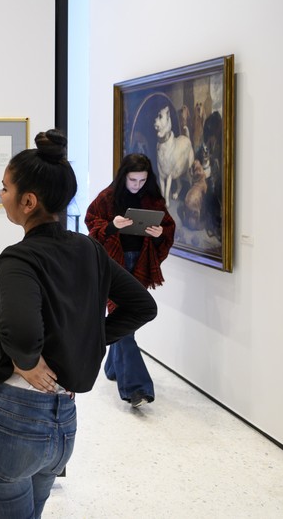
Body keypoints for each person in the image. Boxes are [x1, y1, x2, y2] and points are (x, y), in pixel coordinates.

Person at [0, 130, 157, 519]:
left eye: (4, 188)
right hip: (62, 422)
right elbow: (141, 306)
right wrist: (87, 339)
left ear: (28, 201)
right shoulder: (88, 249)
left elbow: (20, 331)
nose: (1, 196)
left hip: (10, 421)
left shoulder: (20, 257)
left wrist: (27, 359)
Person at [85, 152, 175, 408]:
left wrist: (158, 233)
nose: (137, 185)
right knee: (124, 317)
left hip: (140, 262)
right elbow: (92, 222)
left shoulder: (153, 199)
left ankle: (113, 367)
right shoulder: (107, 197)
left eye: (142, 180)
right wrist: (113, 225)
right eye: (133, 180)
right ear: (123, 176)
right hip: (113, 262)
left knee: (127, 317)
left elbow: (167, 229)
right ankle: (137, 388)